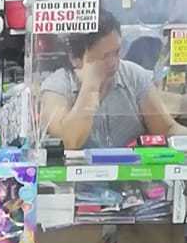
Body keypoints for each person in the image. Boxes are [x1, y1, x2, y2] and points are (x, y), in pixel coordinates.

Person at [40, 9, 180, 149]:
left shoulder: (134, 76)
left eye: (117, 52)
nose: (113, 62)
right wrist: (91, 87)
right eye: (104, 56)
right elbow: (69, 142)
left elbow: (167, 129)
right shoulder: (57, 86)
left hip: (132, 162)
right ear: (75, 59)